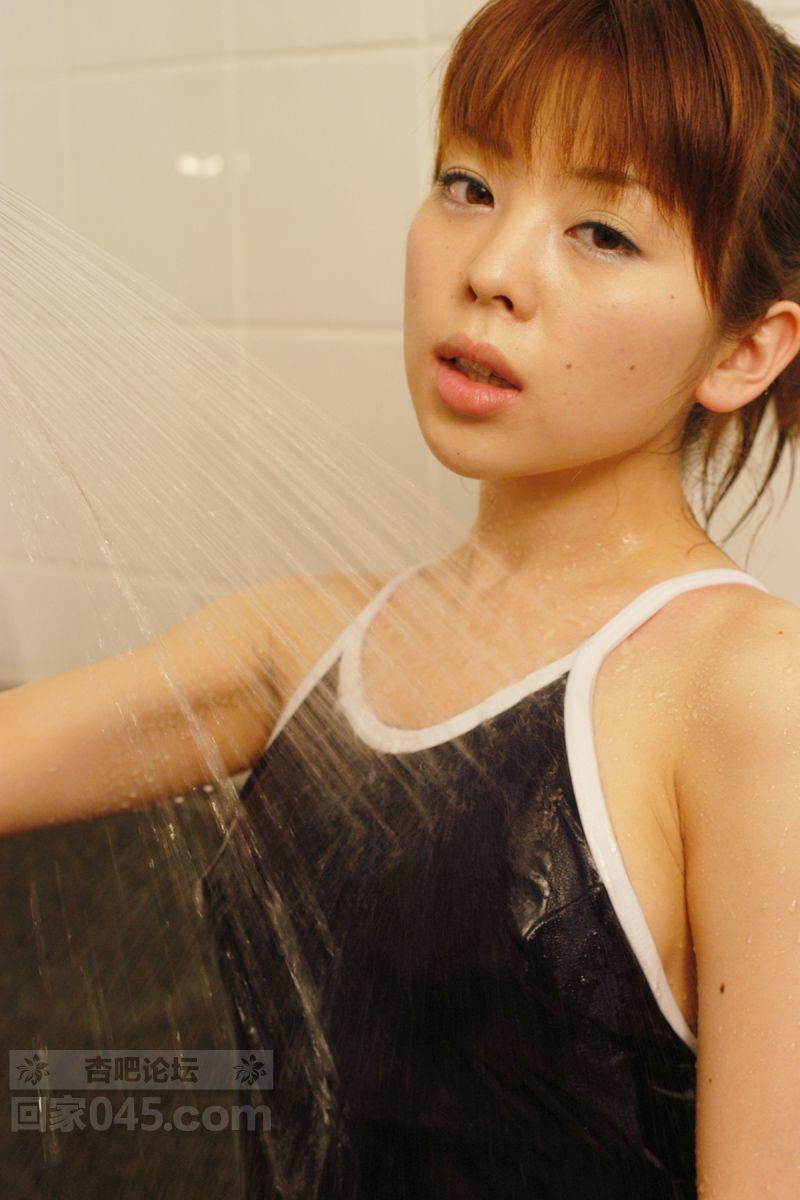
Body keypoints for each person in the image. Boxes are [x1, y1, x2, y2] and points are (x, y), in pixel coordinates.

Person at [3, 0, 800, 1195]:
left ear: (742, 349)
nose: (488, 271)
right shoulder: (300, 646)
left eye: (600, 232)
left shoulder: (748, 690)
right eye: (467, 186)